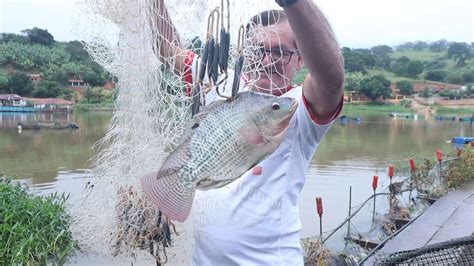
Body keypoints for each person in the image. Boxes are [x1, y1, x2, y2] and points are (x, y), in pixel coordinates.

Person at [152, 0, 344, 264]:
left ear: (301, 59)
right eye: (258, 50)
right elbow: (167, 47)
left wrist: (294, 4)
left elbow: (332, 80)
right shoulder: (218, 83)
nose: (267, 61)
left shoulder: (297, 106)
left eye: (280, 52)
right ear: (244, 51)